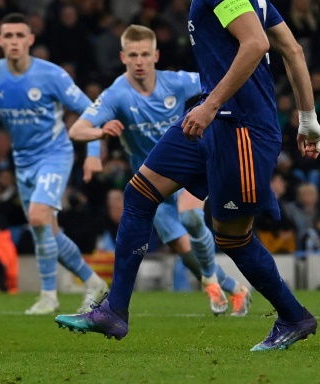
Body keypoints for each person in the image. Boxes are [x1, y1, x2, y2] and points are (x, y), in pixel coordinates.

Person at [56, 0, 320, 352]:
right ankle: (114, 312)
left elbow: (256, 44)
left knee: (233, 239)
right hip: (215, 122)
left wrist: (212, 104)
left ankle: (294, 316)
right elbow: (292, 50)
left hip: (240, 127)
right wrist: (308, 119)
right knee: (139, 194)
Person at [68, 24, 250, 316]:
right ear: (123, 57)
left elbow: (219, 81)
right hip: (152, 184)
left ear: (155, 56)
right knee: (184, 251)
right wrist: (99, 134)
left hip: (186, 171)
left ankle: (211, 281)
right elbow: (78, 130)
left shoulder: (175, 82)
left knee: (191, 218)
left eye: (144, 54)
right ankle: (234, 288)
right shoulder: (116, 94)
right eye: (133, 55)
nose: (139, 61)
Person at [0, 12, 109, 315]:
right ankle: (94, 282)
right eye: (8, 36)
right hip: (23, 161)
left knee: (38, 218)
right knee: (47, 232)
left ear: (30, 40)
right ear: (0, 41)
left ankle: (49, 295)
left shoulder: (51, 75)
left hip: (55, 154)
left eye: (19, 36)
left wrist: (92, 155)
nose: (14, 41)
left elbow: (91, 112)